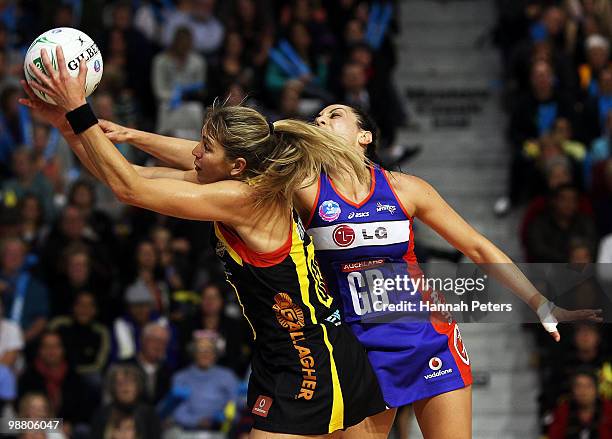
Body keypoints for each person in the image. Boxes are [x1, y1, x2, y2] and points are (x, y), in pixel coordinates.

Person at [87, 101, 604, 439]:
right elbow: (212, 161)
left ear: (363, 137)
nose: (321, 119)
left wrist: (540, 301)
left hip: (428, 340)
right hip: (356, 350)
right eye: (318, 116)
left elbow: (476, 244)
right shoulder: (302, 186)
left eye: (335, 114)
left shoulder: (406, 189)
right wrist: (133, 135)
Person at [24, 47, 387, 438]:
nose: (194, 153)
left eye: (206, 148)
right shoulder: (235, 181)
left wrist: (81, 110)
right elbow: (127, 174)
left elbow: (129, 189)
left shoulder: (242, 199)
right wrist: (68, 126)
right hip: (284, 351)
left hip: (310, 355)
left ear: (236, 167)